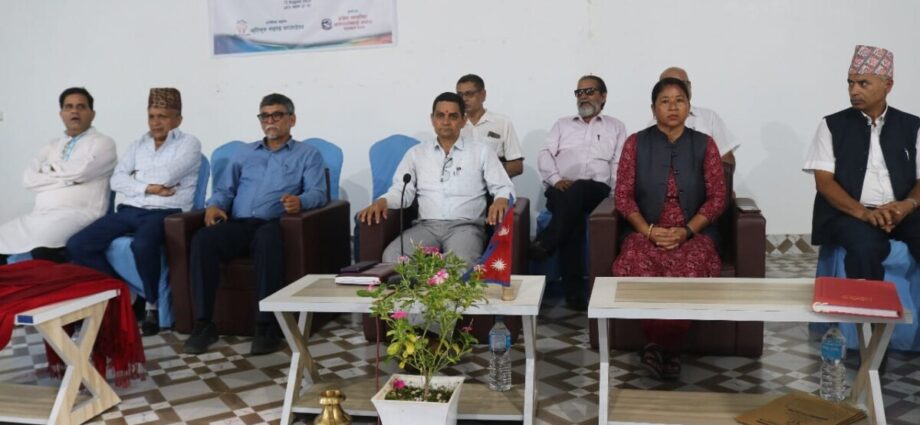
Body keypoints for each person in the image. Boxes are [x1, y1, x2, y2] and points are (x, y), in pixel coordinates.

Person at [182, 93, 327, 356]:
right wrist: (214, 205)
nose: (270, 121)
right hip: (239, 224)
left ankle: (266, 327)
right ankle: (203, 324)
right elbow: (225, 189)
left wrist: (300, 201)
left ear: (292, 119)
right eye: (265, 116)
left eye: (277, 115)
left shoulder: (307, 154)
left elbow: (318, 192)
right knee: (203, 240)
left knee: (267, 241)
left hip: (274, 224)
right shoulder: (244, 153)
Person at [612, 77, 727, 380]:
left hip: (693, 233)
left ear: (689, 107)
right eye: (665, 101)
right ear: (653, 109)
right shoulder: (635, 143)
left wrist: (686, 231)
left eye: (680, 100)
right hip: (645, 231)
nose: (673, 107)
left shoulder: (705, 144)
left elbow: (717, 198)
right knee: (637, 260)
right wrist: (648, 230)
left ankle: (658, 346)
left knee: (691, 266)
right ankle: (670, 348)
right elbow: (623, 196)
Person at [67, 88, 201, 336]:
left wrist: (136, 178)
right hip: (130, 210)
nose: (155, 122)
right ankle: (121, 292)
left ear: (177, 120)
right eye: (151, 116)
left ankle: (151, 305)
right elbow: (116, 180)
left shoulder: (189, 144)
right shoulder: (138, 144)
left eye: (162, 116)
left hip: (165, 212)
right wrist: (149, 187)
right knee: (78, 244)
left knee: (142, 245)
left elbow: (167, 175)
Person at [804, 45, 920, 281]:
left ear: (888, 85)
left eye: (863, 83)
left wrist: (905, 206)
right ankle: (870, 305)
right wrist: (865, 214)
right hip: (850, 214)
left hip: (901, 211)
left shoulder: (912, 126)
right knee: (864, 247)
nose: (854, 90)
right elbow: (824, 183)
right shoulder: (832, 125)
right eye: (850, 83)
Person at [358, 92, 514, 265]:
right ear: (432, 119)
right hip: (426, 227)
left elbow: (503, 186)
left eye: (453, 116)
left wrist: (501, 199)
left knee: (459, 263)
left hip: (465, 227)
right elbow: (401, 191)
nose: (446, 122)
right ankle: (421, 284)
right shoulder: (416, 153)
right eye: (440, 116)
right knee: (393, 256)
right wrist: (382, 202)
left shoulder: (481, 151)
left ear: (463, 121)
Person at [532, 75, 628, 311]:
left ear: (603, 96)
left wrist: (614, 196)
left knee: (580, 189)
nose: (583, 96)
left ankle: (547, 243)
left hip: (597, 191)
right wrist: (556, 180)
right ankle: (575, 295)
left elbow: (619, 163)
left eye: (589, 91)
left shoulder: (616, 126)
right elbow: (545, 154)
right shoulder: (562, 124)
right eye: (579, 92)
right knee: (571, 218)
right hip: (560, 188)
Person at [0, 87, 116, 264]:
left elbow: (82, 172)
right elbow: (29, 179)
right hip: (40, 215)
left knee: (41, 241)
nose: (74, 111)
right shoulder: (51, 146)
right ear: (61, 114)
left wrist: (47, 171)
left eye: (81, 106)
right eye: (68, 107)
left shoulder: (103, 143)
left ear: (92, 114)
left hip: (79, 214)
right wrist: (69, 179)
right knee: (3, 237)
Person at [653, 67, 739, 164]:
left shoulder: (709, 117)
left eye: (681, 84)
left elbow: (727, 159)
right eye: (669, 85)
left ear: (689, 86)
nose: (676, 89)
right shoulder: (652, 126)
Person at [456, 74, 524, 178]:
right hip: (461, 185)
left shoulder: (502, 122)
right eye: (460, 95)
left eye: (469, 94)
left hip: (494, 185)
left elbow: (517, 166)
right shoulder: (453, 125)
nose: (464, 99)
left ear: (483, 95)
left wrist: (486, 174)